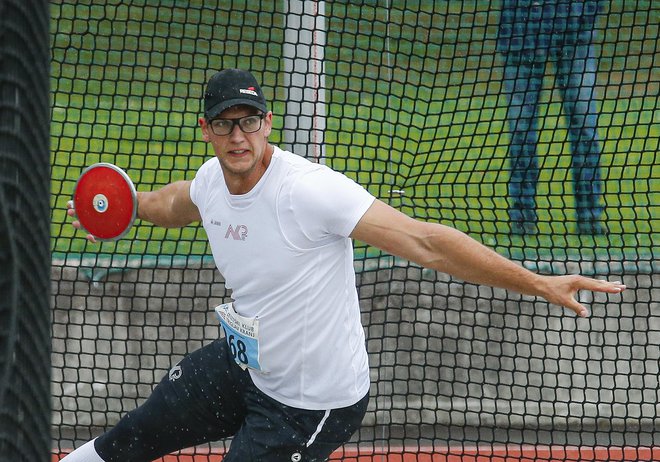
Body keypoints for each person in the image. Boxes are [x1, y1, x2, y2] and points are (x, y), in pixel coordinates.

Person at [62, 68, 625, 462]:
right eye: (226, 124)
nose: (239, 135)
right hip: (245, 370)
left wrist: (536, 281)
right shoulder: (212, 181)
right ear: (207, 129)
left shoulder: (308, 192)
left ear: (268, 123)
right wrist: (121, 209)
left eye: (249, 121)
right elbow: (175, 202)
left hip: (312, 403)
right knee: (134, 436)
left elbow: (426, 241)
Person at [497, 0, 606, 235]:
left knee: (585, 128)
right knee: (521, 132)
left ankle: (589, 218)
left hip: (575, 35)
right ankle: (522, 218)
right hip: (520, 34)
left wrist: (585, 17)